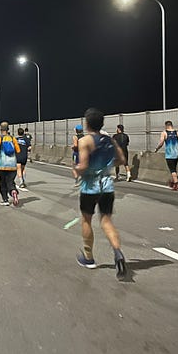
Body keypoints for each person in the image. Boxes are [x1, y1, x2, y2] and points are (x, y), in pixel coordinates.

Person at [74, 109, 127, 279]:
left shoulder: (85, 141)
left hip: (90, 187)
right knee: (106, 221)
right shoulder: (110, 140)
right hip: (107, 186)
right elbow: (122, 160)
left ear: (87, 123)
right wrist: (107, 166)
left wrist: (76, 170)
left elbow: (82, 166)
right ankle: (117, 252)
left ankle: (88, 258)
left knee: (87, 220)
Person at [154, 121, 178, 190]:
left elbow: (161, 143)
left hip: (169, 154)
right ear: (171, 125)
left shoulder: (164, 133)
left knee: (172, 169)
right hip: (176, 154)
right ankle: (173, 181)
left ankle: (176, 184)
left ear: (166, 126)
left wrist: (157, 149)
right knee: (174, 168)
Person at [0, 121, 21, 206]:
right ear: (8, 129)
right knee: (10, 181)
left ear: (1, 129)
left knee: (3, 182)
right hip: (12, 165)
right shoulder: (13, 138)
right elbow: (18, 150)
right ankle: (13, 191)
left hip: (2, 165)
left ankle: (5, 200)